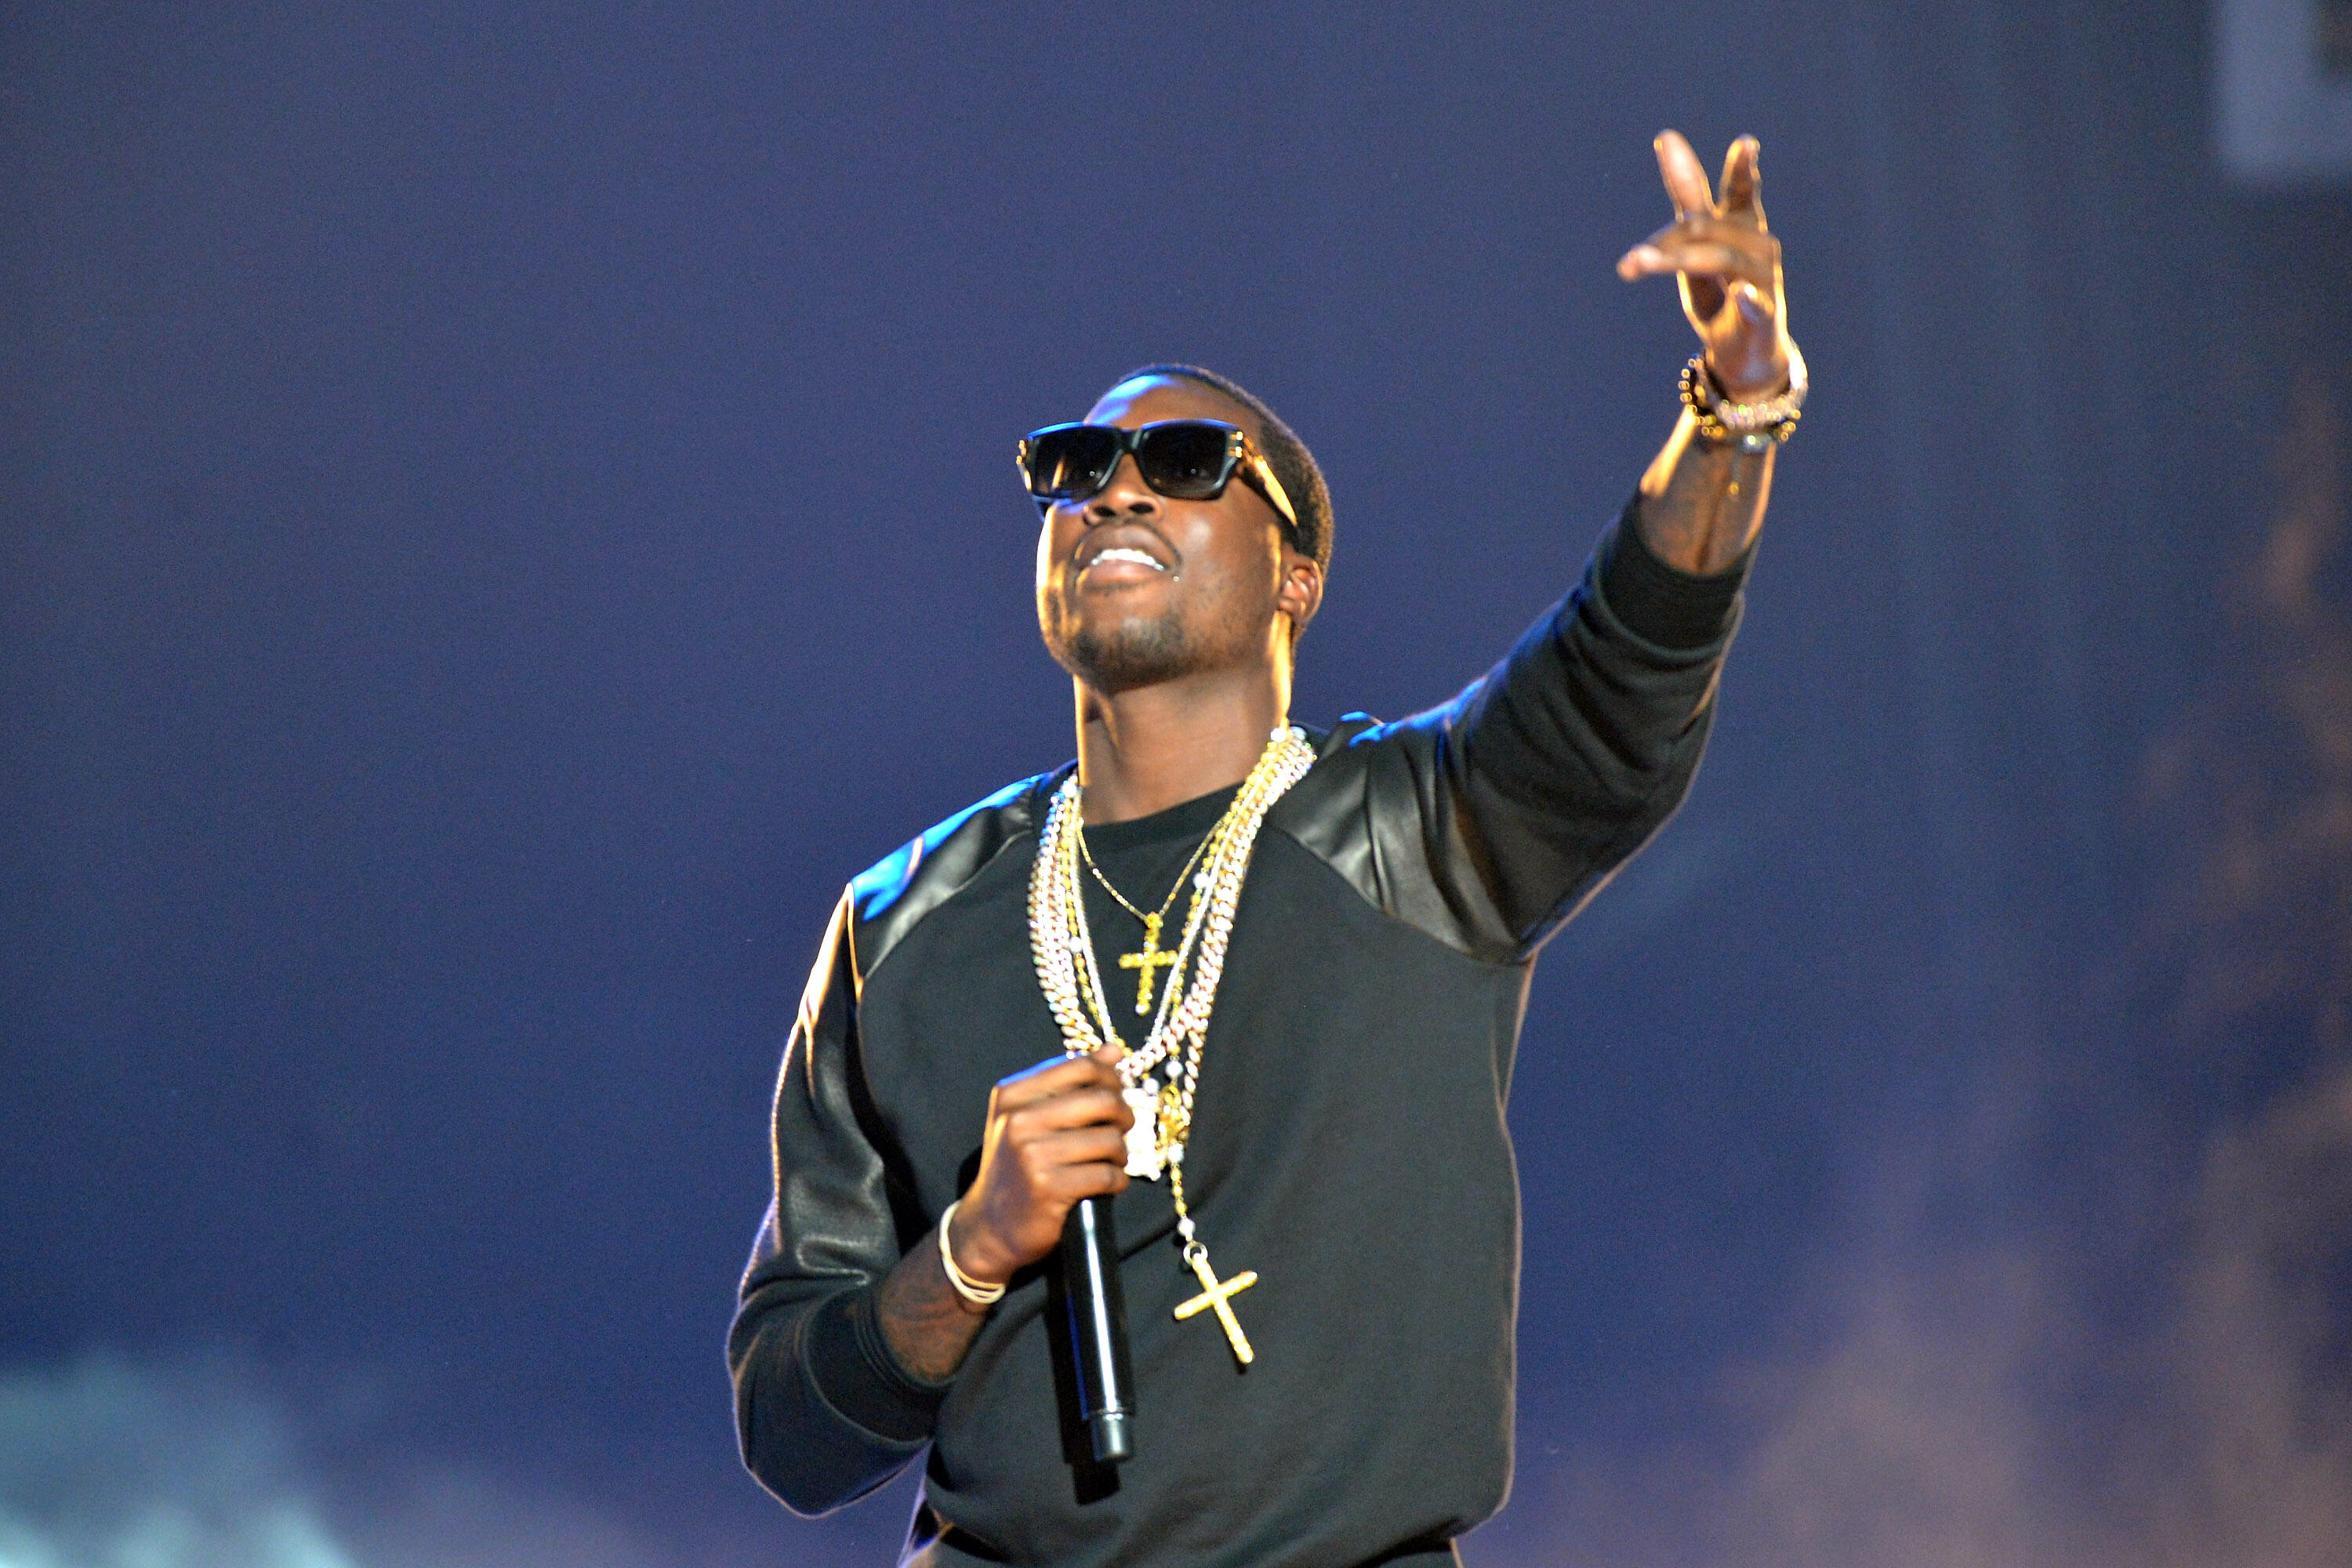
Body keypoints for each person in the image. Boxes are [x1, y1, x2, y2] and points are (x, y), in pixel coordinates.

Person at [729, 130, 1804, 1568]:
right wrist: (975, 1247)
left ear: (1296, 573)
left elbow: (1625, 658)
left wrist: (1734, 407)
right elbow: (792, 1430)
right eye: (1074, 466)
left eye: (1181, 462)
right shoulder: (908, 919)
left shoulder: (1419, 827)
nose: (1112, 491)